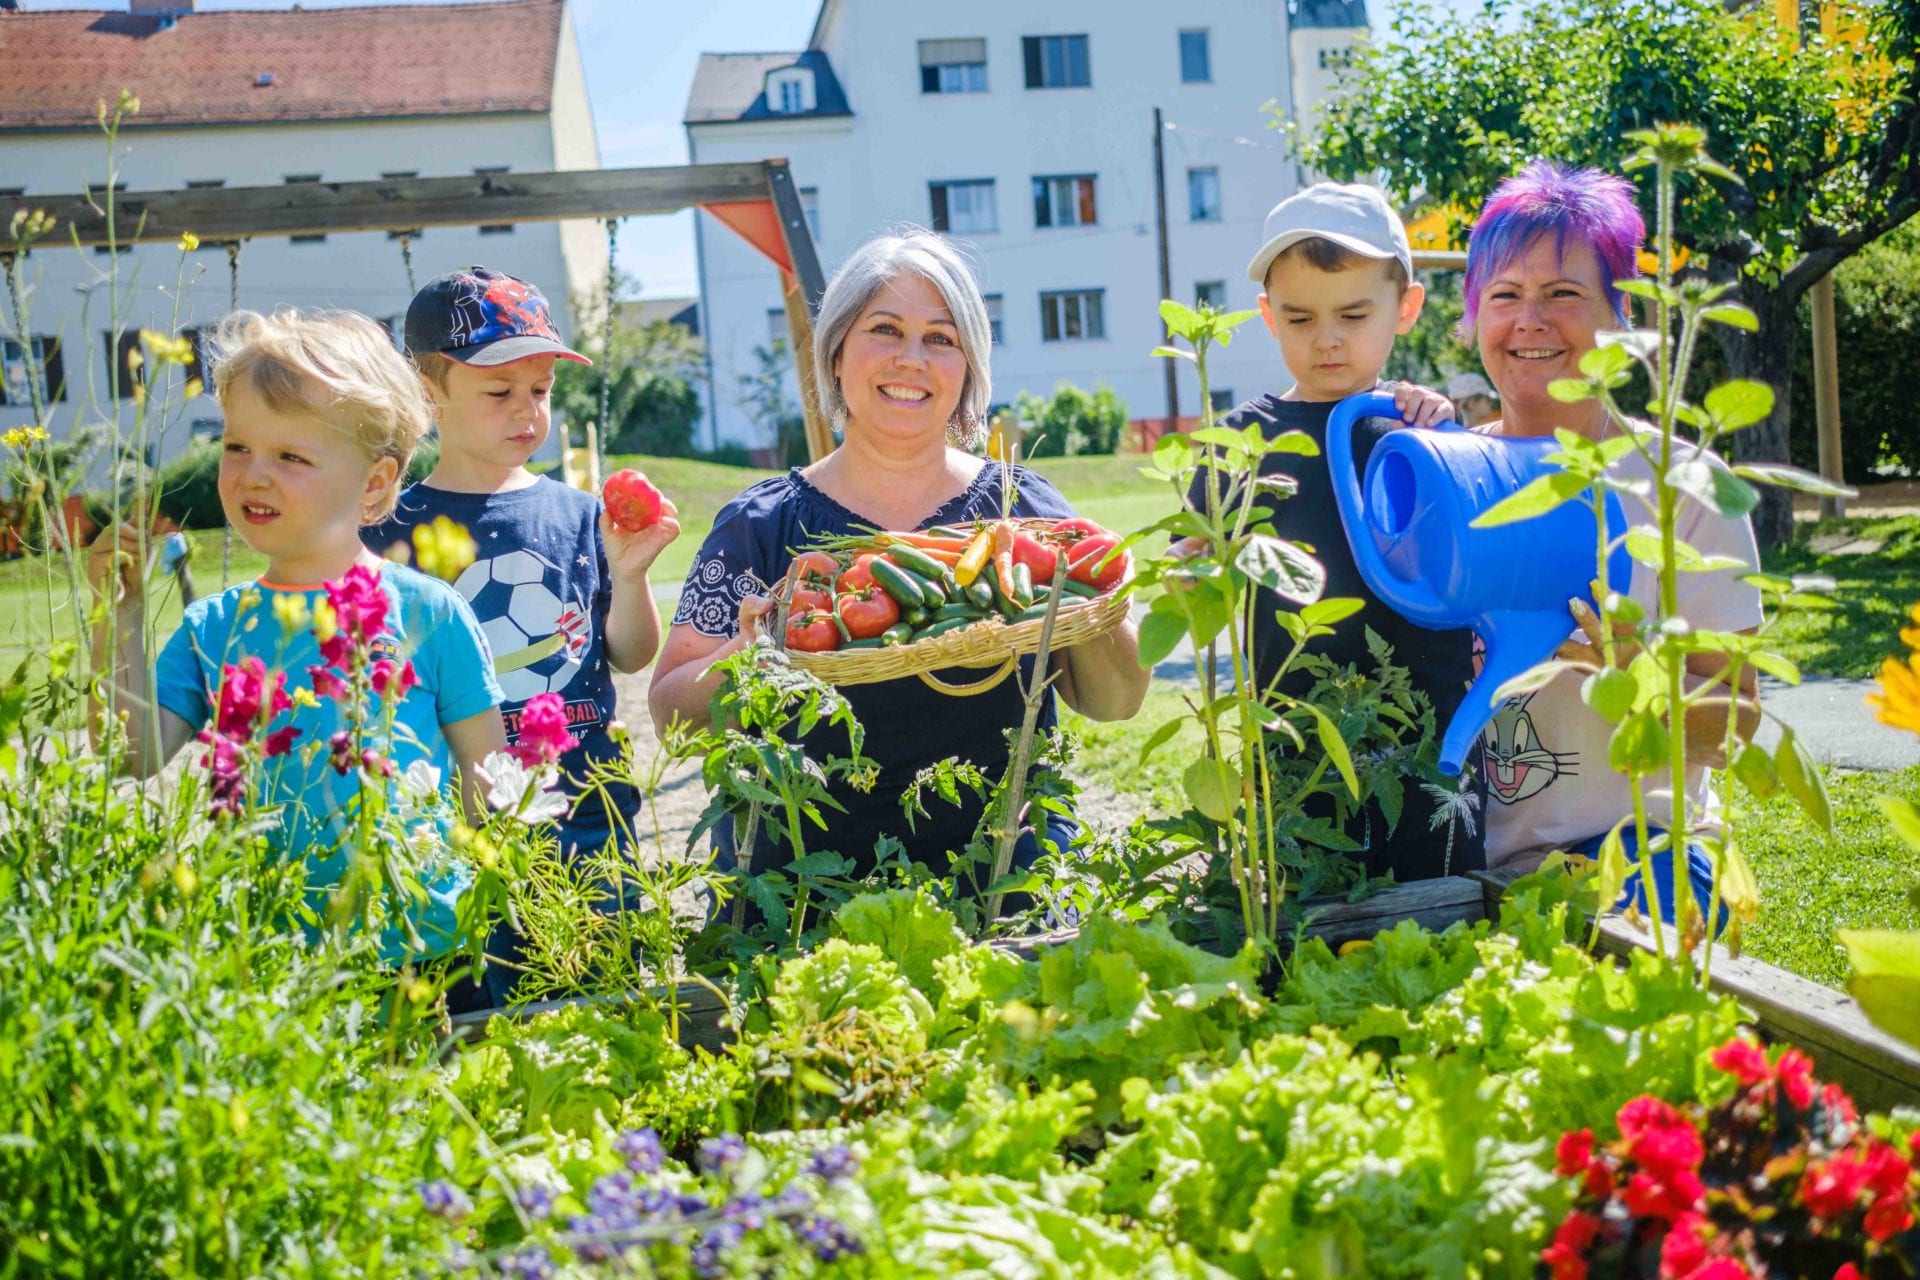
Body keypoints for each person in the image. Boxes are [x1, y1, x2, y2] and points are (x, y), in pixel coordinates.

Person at [650, 229, 1149, 906]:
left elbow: (1116, 703)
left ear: (969, 367)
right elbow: (671, 718)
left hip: (1004, 881)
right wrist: (749, 655)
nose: (912, 359)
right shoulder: (760, 527)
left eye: (942, 339)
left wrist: (1082, 594)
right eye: (886, 329)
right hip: (800, 899)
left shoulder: (1022, 510)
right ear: (834, 354)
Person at [86, 309, 508, 987]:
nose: (253, 475)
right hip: (269, 952)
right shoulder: (214, 626)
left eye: (290, 456)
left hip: (423, 948)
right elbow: (129, 755)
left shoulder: (429, 613)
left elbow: (490, 794)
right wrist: (122, 615)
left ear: (374, 482)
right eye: (236, 447)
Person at [1462, 161, 1762, 925]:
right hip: (1469, 861)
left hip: (1643, 848)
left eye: (1563, 294)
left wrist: (1637, 668)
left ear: (1622, 318)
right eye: (1504, 296)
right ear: (1471, 321)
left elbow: (1734, 726)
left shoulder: (1684, 486)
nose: (1529, 320)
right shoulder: (1448, 478)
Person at [1179, 182, 1485, 883]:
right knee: (1309, 929)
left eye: (1353, 313)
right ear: (1267, 317)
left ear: (1406, 307)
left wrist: (1444, 433)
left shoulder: (1421, 431)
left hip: (1431, 741)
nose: (1327, 339)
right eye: (1299, 318)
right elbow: (1192, 565)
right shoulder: (1239, 443)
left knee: (1444, 917)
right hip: (1297, 749)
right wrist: (1189, 563)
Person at [364, 265, 681, 866]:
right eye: (499, 391)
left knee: (597, 960)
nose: (526, 411)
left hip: (588, 821)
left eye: (539, 391)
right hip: (451, 833)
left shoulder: (581, 515)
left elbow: (631, 654)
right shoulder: (386, 531)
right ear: (430, 395)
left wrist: (632, 574)